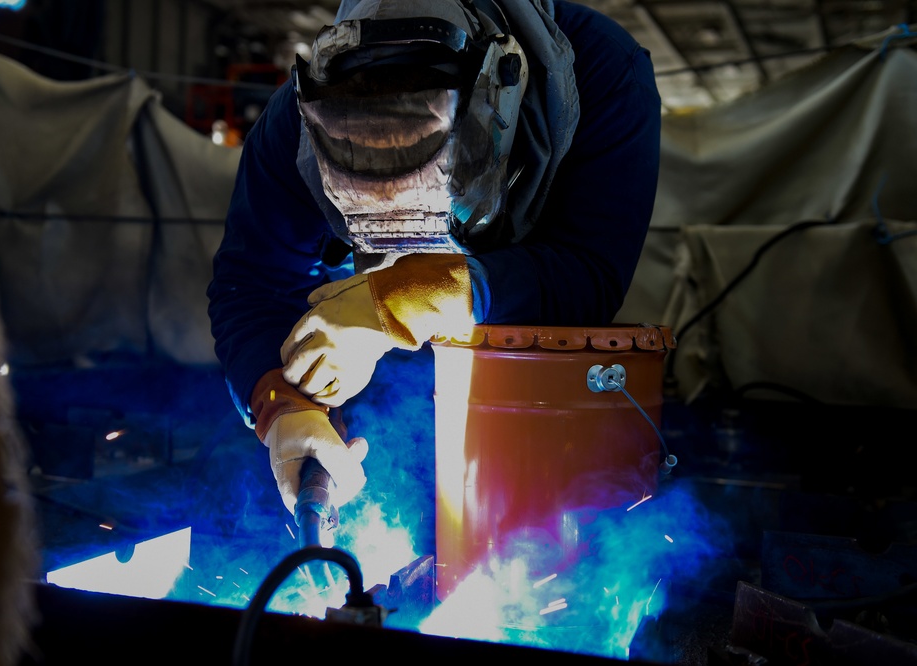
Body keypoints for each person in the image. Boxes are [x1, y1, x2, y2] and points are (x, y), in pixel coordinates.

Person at [207, 0, 661, 517]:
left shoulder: (602, 69)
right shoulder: (299, 115)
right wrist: (284, 408)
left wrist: (403, 303)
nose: (406, 248)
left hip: (536, 396)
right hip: (378, 401)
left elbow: (588, 274)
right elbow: (252, 283)